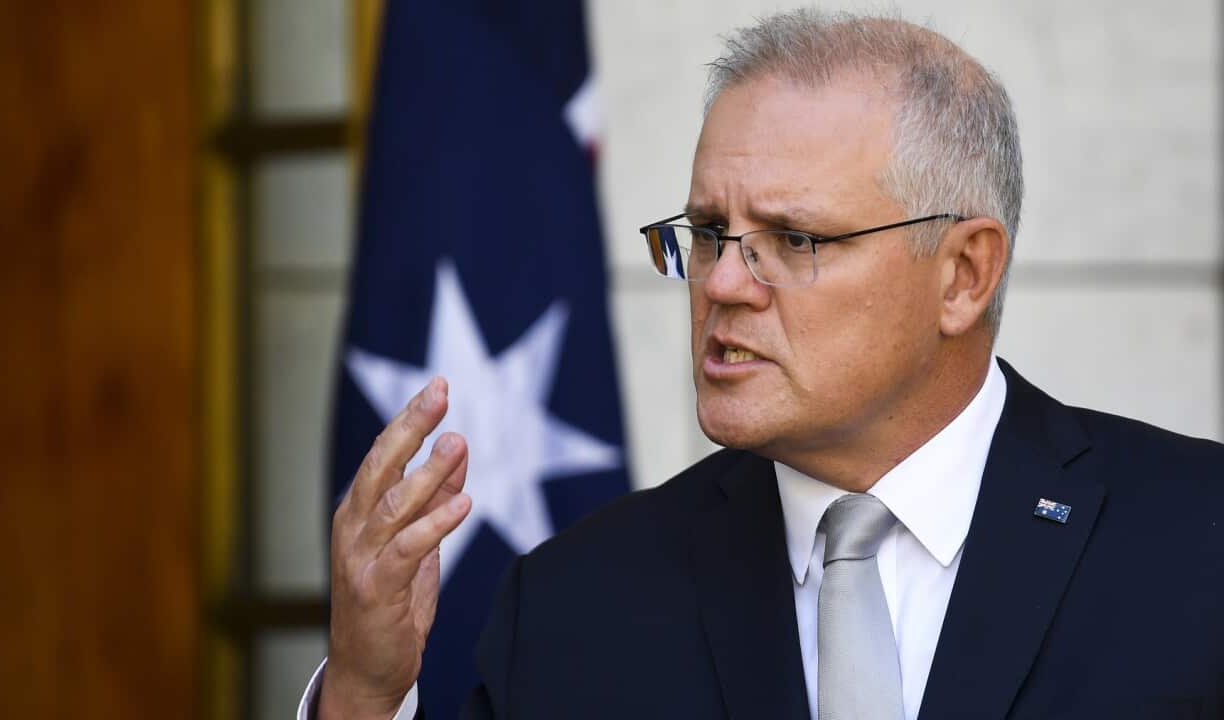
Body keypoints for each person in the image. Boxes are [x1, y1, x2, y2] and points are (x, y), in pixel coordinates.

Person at [302, 10, 1224, 720]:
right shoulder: (575, 604)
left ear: (963, 275)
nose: (724, 284)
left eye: (794, 238)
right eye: (709, 234)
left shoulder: (1194, 543)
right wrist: (362, 694)